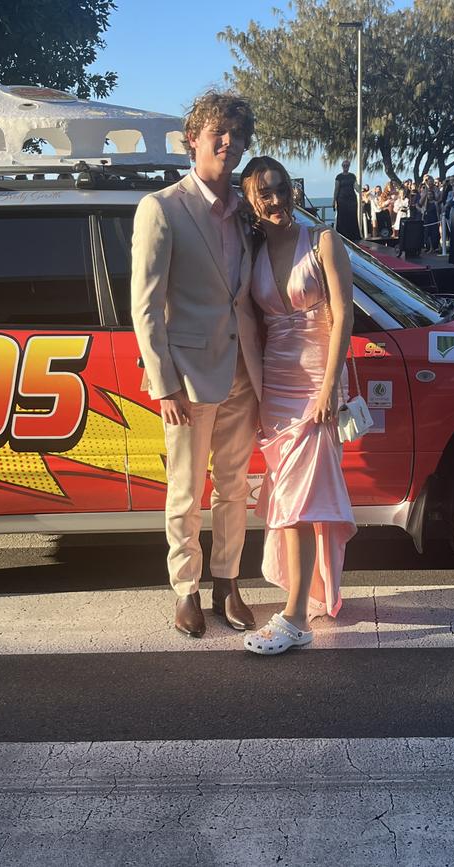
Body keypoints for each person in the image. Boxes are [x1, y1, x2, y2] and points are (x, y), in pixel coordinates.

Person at [131, 90, 261, 639]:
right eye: (219, 135)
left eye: (237, 136)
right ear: (194, 140)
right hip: (186, 377)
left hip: (242, 373)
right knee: (184, 491)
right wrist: (164, 386)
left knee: (235, 486)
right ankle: (184, 588)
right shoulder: (161, 208)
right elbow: (145, 305)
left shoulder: (247, 210)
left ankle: (227, 580)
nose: (229, 145)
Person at [239, 156, 356, 655]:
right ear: (250, 201)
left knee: (298, 500)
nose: (275, 199)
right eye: (263, 192)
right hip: (275, 387)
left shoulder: (323, 241)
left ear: (293, 189)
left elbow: (345, 313)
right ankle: (303, 600)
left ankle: (293, 618)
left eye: (281, 188)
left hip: (316, 384)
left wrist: (331, 386)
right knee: (288, 499)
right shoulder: (252, 250)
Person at [333, 159, 360, 241]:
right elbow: (336, 189)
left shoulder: (352, 176)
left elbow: (356, 186)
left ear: (349, 166)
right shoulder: (339, 177)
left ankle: (353, 235)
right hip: (342, 199)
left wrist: (361, 191)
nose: (345, 167)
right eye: (344, 165)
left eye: (347, 165)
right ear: (342, 166)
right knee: (342, 218)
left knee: (352, 217)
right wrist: (334, 200)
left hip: (352, 199)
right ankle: (342, 234)